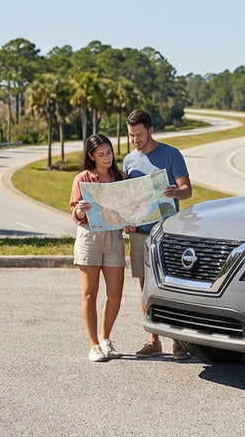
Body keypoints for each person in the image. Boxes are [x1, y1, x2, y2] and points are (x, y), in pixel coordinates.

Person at [122, 109, 192, 360]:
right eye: (131, 135)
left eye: (139, 135)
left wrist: (176, 192)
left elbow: (187, 190)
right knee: (145, 288)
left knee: (170, 286)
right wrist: (126, 221)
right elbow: (129, 199)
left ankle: (178, 342)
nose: (135, 140)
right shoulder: (129, 160)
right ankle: (153, 340)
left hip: (166, 233)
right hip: (139, 233)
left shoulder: (171, 154)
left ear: (151, 130)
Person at [69, 133, 128, 363]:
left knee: (115, 294)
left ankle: (105, 339)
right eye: (101, 154)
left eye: (109, 153)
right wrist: (80, 210)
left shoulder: (121, 178)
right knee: (89, 293)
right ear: (91, 156)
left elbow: (128, 210)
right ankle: (93, 345)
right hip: (89, 237)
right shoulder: (82, 178)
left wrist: (129, 222)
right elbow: (75, 214)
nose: (107, 158)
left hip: (114, 237)